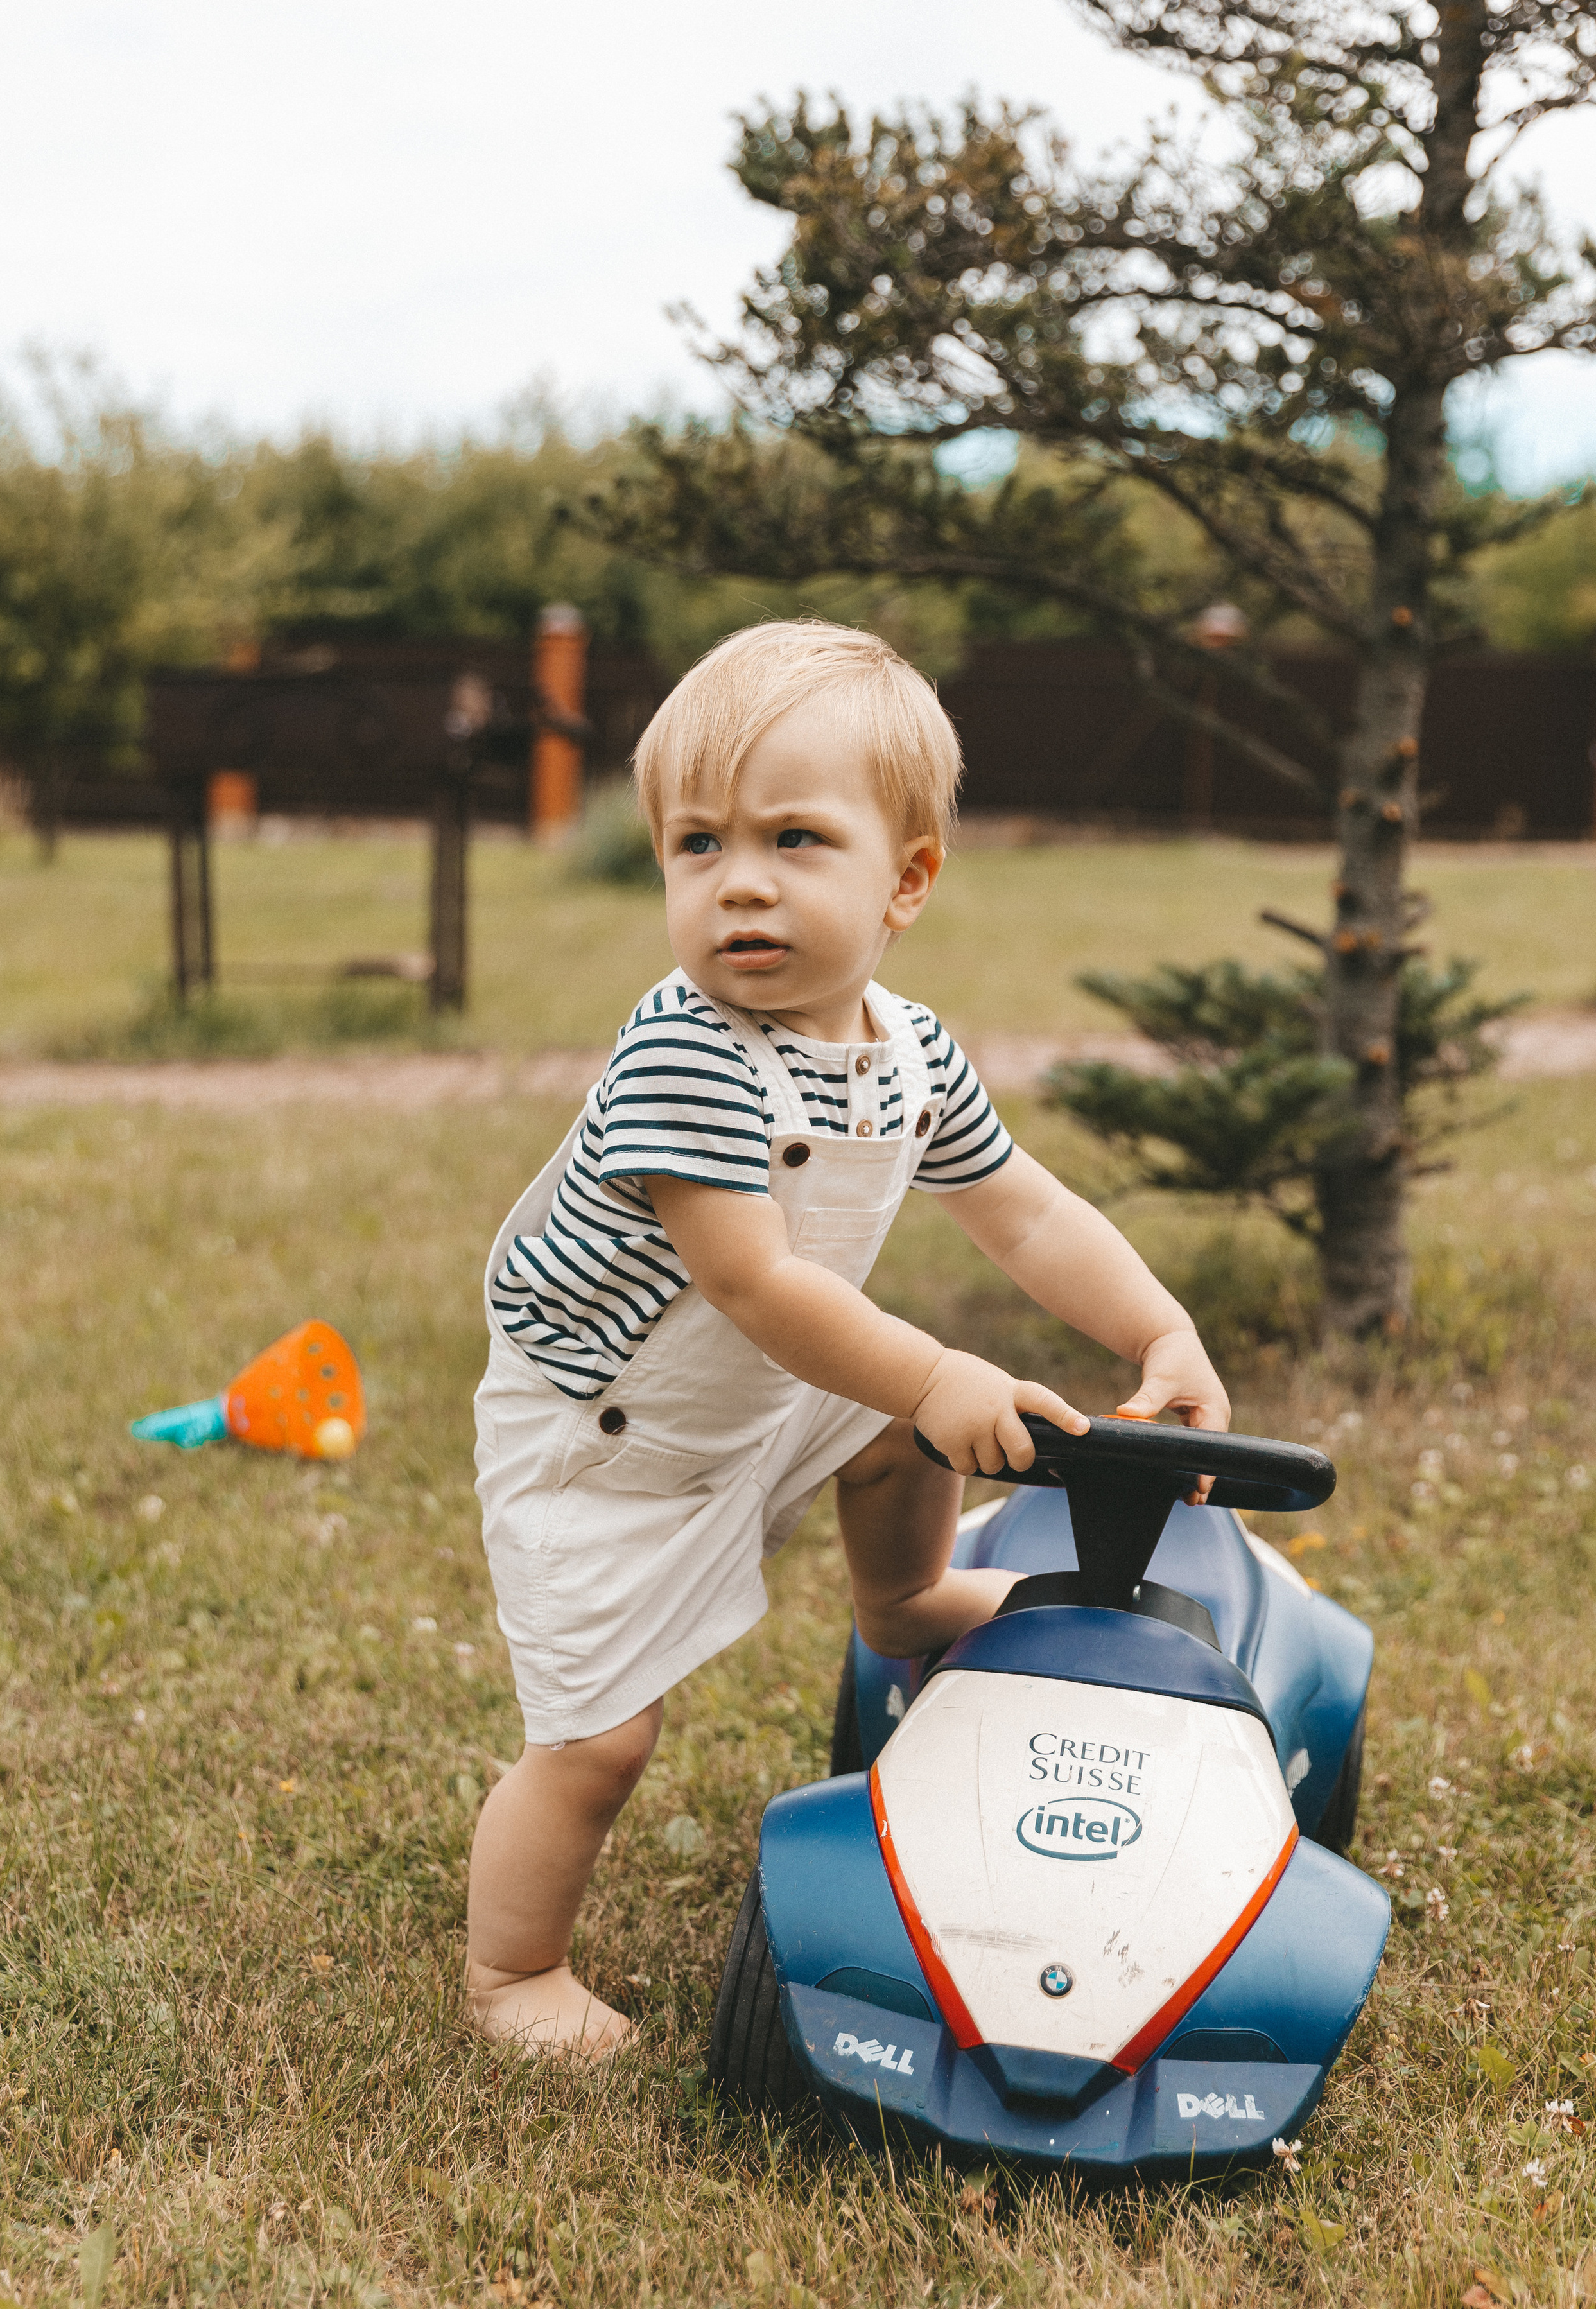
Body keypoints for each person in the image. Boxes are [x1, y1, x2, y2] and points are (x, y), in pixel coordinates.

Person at [465, 620, 1230, 2055]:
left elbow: (1024, 1213)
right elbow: (756, 1283)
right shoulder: (685, 1050)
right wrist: (940, 1372)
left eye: (794, 840)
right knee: (594, 1745)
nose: (737, 883)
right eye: (696, 847)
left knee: (884, 1427)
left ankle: (903, 1608)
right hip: (606, 1438)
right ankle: (510, 1974)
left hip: (764, 1387)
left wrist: (1159, 1325)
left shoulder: (907, 1049)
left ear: (909, 879)